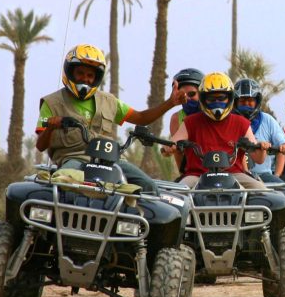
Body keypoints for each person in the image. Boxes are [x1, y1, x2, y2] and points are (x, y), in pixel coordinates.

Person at [35, 44, 184, 192]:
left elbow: (141, 118)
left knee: (148, 187)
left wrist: (171, 102)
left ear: (96, 78)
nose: (85, 79)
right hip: (74, 159)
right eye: (80, 73)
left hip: (111, 160)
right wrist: (50, 128)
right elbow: (40, 146)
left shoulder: (109, 101)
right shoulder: (51, 103)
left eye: (90, 75)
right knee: (62, 183)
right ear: (70, 72)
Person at [164, 72, 268, 189]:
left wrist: (262, 148)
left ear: (229, 98)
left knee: (263, 191)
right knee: (177, 195)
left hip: (235, 174)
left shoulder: (241, 122)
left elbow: (258, 159)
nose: (216, 102)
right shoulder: (190, 122)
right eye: (211, 99)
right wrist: (169, 147)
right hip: (196, 176)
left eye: (221, 98)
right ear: (203, 99)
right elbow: (172, 142)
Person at [234, 78, 285, 184]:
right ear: (235, 102)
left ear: (257, 102)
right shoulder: (230, 121)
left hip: (264, 175)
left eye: (250, 101)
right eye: (242, 101)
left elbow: (282, 145)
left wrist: (277, 175)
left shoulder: (267, 119)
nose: (246, 104)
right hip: (236, 175)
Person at [167, 67, 205, 172]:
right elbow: (178, 153)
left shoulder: (211, 114)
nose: (187, 98)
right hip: (193, 172)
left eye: (192, 94)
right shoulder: (176, 118)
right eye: (182, 94)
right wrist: (183, 174)